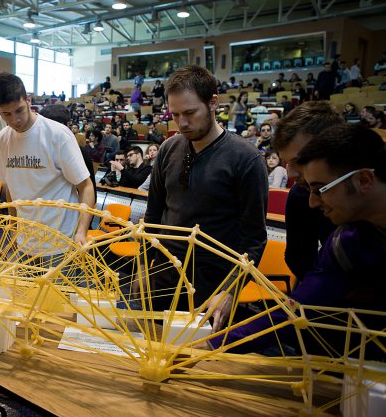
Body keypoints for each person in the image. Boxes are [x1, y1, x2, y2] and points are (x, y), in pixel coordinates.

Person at [208, 124, 386, 355]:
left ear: (363, 180)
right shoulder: (347, 241)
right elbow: (295, 311)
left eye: (320, 189)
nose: (312, 202)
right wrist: (211, 344)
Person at [145, 65, 268, 331]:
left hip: (212, 284)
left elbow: (254, 240)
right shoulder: (168, 149)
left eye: (190, 113)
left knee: (198, 363)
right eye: (175, 114)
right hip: (164, 275)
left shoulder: (246, 159)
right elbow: (153, 216)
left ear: (213, 103)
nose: (182, 123)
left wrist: (230, 290)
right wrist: (144, 266)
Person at [0, 72, 95, 249]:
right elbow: (10, 188)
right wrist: (13, 229)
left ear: (28, 100)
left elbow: (86, 186)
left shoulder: (58, 135)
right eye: (6, 114)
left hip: (62, 242)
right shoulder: (2, 140)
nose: (15, 120)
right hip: (25, 242)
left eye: (19, 110)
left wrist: (81, 231)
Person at [271, 101, 342, 281]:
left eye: (300, 161)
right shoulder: (300, 194)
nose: (291, 173)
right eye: (287, 163)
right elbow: (298, 259)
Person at [40, 104, 96, 200]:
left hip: (69, 209)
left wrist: (84, 214)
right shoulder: (37, 149)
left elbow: (89, 190)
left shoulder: (80, 152)